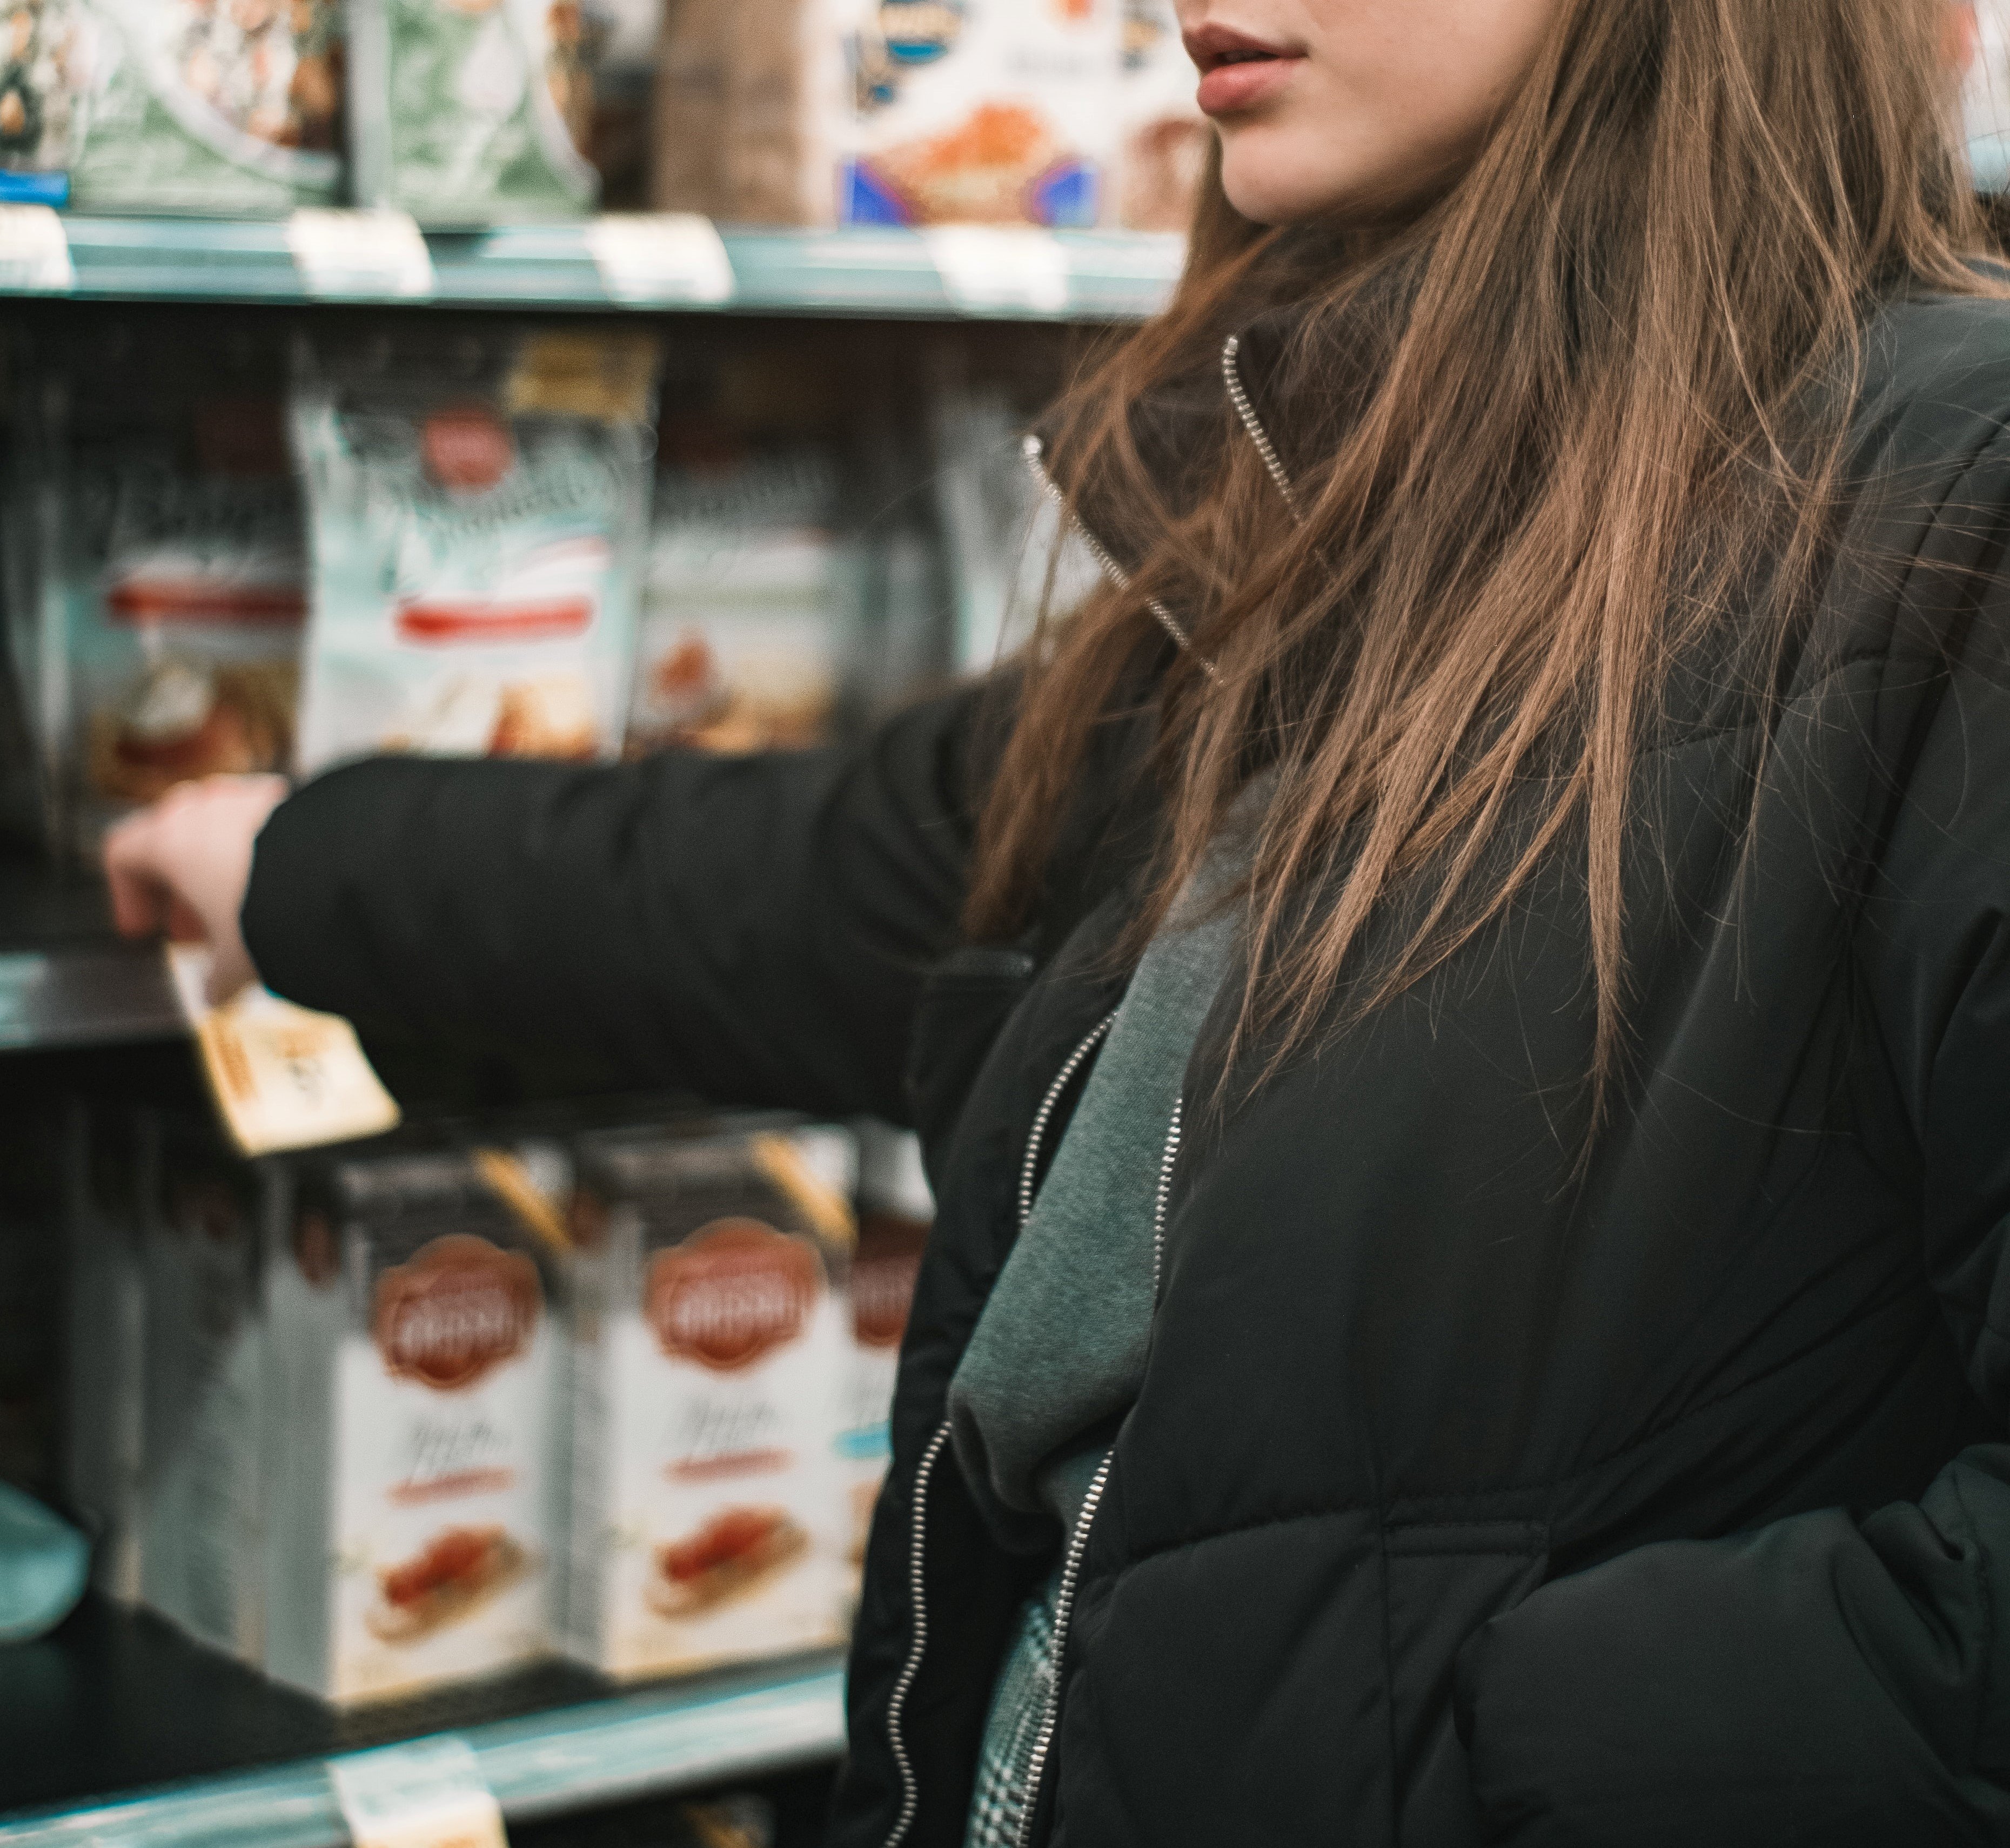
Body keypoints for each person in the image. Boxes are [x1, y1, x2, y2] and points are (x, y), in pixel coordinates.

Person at [106, 0, 2010, 1841]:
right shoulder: (1351, 528)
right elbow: (815, 886)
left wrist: (1471, 1754)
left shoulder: (1955, 516)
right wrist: (291, 860)